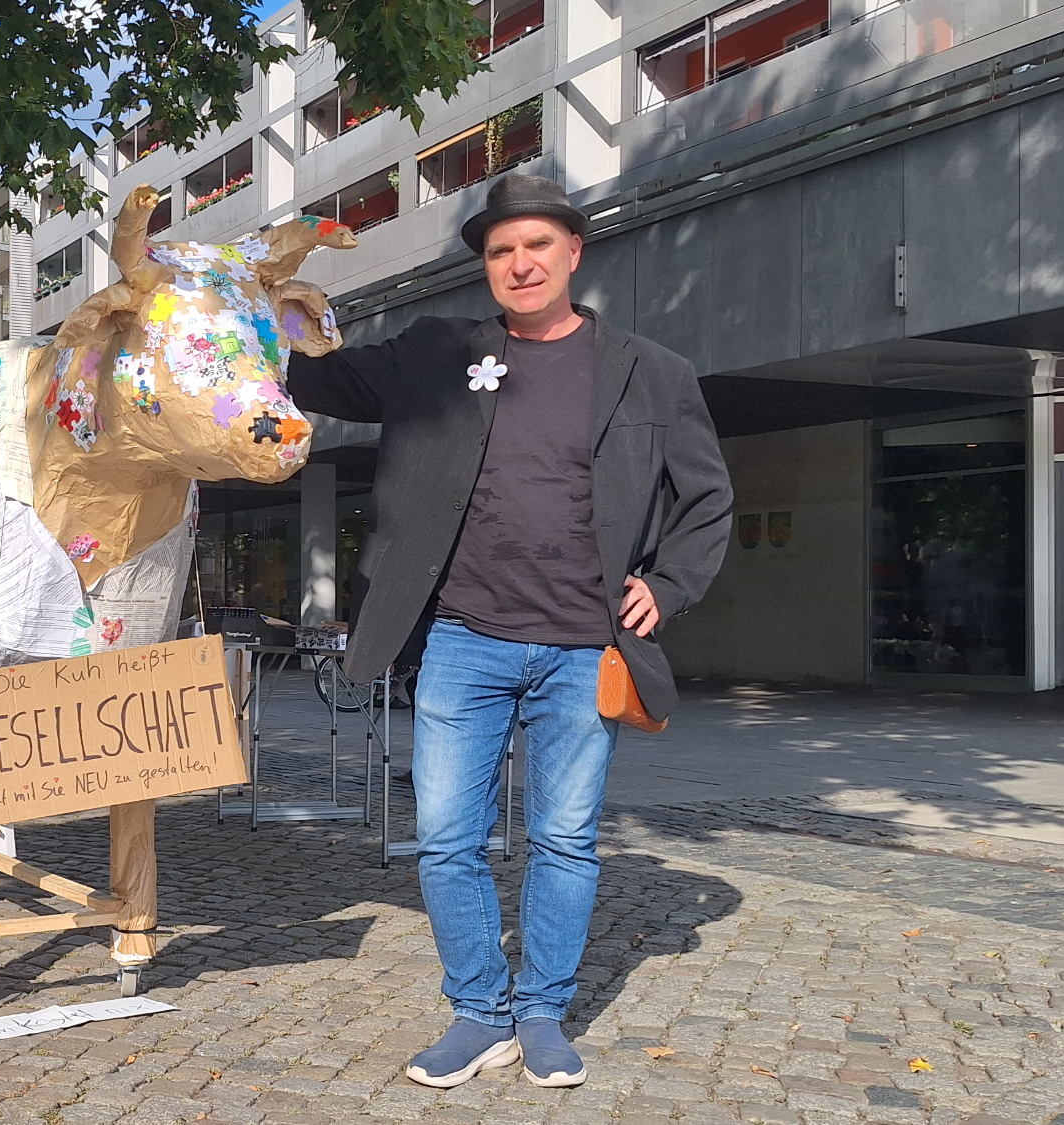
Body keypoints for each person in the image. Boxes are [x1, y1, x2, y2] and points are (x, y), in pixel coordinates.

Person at [285, 174, 732, 1089]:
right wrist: (261, 309)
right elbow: (317, 374)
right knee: (448, 836)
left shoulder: (652, 371)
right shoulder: (437, 352)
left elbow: (708, 495)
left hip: (583, 646)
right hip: (464, 639)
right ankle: (479, 1011)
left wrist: (671, 582)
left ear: (573, 252)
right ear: (486, 267)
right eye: (499, 251)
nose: (519, 264)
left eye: (536, 246)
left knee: (564, 840)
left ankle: (541, 1012)